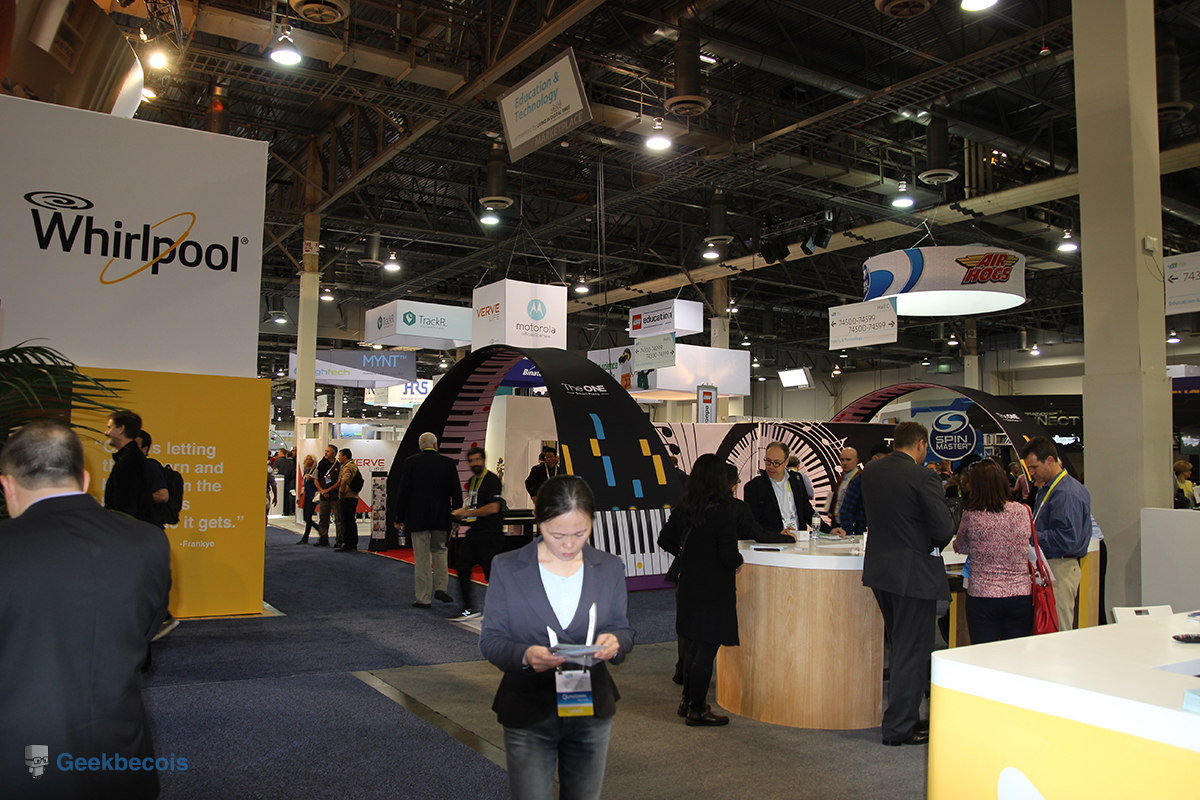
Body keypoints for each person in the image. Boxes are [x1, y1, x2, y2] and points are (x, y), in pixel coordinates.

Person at [0, 421, 171, 798]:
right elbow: (146, 631)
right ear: (85, 479)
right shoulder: (149, 543)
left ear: (7, 486)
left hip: (22, 762)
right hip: (122, 753)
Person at [479, 475, 633, 800]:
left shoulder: (608, 567)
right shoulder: (507, 567)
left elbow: (622, 628)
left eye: (580, 533)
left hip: (591, 708)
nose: (568, 545)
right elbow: (491, 640)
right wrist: (525, 655)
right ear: (539, 522)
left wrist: (616, 641)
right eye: (557, 534)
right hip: (528, 708)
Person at [860, 421, 955, 747]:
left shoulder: (871, 472)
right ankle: (899, 727)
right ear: (920, 444)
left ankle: (905, 718)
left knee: (900, 646)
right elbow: (943, 529)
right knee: (910, 651)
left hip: (881, 572)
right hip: (914, 575)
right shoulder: (923, 476)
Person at [657, 454, 745, 727]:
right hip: (714, 588)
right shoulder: (722, 513)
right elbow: (729, 557)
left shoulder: (687, 507)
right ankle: (697, 709)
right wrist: (739, 560)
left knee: (694, 643)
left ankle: (688, 701)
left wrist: (688, 555)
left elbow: (665, 539)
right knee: (706, 647)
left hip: (689, 584)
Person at [951, 461, 1034, 643]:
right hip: (1019, 593)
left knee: (984, 651)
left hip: (983, 595)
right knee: (1018, 651)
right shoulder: (1023, 511)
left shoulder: (972, 515)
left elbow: (960, 546)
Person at [1021, 437, 1092, 633]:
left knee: (1057, 628)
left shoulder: (1066, 493)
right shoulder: (1050, 488)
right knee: (1048, 628)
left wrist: (1030, 537)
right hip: (1050, 566)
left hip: (1059, 568)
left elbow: (1066, 539)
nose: (1031, 473)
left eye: (1034, 467)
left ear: (1050, 460)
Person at [392, 432, 463, 608]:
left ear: (420, 446)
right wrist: (456, 516)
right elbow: (456, 491)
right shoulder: (447, 463)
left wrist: (399, 517)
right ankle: (441, 588)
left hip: (418, 517)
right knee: (440, 551)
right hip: (441, 516)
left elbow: (403, 491)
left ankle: (424, 598)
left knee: (422, 556)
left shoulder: (411, 462)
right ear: (435, 445)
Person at [450, 446, 505, 619]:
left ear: (484, 460)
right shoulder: (472, 480)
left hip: (491, 534)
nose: (475, 463)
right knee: (462, 565)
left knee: (491, 574)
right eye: (472, 461)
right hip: (475, 532)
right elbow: (473, 504)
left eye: (478, 459)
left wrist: (467, 512)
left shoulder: (492, 480)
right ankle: (468, 607)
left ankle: (502, 610)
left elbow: (493, 508)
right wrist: (461, 513)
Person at [742, 441, 826, 538]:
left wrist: (829, 530)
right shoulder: (754, 486)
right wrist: (779, 533)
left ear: (786, 461)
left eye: (776, 463)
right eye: (768, 461)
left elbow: (806, 510)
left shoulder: (796, 480)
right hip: (771, 541)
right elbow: (753, 523)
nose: (771, 467)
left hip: (799, 539)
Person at [103, 409, 153, 523]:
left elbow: (126, 504)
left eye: (110, 427)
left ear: (121, 429)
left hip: (127, 528)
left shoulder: (128, 461)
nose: (106, 432)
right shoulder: (135, 457)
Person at [828, 447, 867, 538]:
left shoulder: (860, 479)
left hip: (853, 525)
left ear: (856, 461)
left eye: (848, 460)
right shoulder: (841, 478)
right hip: (838, 522)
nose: (844, 463)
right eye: (842, 460)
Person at [135, 430, 171, 529]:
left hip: (149, 527)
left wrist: (135, 498)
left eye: (135, 445)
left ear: (144, 449)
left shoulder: (151, 466)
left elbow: (163, 496)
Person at [313, 444, 340, 547]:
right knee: (323, 518)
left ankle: (339, 540)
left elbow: (339, 482)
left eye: (328, 451)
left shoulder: (338, 466)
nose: (326, 453)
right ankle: (323, 538)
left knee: (338, 518)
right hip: (324, 496)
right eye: (326, 451)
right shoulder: (321, 465)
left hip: (335, 496)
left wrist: (328, 490)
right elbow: (316, 479)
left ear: (334, 454)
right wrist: (322, 491)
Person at [335, 448, 360, 552]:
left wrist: (341, 491)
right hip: (353, 496)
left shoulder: (347, 467)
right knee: (351, 521)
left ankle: (348, 543)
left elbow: (345, 479)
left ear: (345, 456)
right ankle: (353, 543)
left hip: (348, 497)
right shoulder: (354, 466)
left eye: (340, 456)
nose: (339, 458)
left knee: (346, 521)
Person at [298, 454, 318, 543]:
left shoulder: (315, 471)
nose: (308, 461)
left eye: (310, 460)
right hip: (306, 495)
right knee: (306, 518)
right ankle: (318, 529)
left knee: (308, 517)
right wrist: (300, 496)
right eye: (307, 459)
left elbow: (317, 481)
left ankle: (305, 537)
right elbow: (303, 485)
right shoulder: (306, 471)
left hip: (312, 495)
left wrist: (312, 479)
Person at [275, 448, 296, 516]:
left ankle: (279, 510)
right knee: (287, 496)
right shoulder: (290, 463)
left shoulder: (277, 462)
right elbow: (293, 473)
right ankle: (287, 511)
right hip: (288, 481)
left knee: (279, 495)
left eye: (279, 452)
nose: (278, 453)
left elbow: (274, 471)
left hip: (279, 482)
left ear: (281, 453)